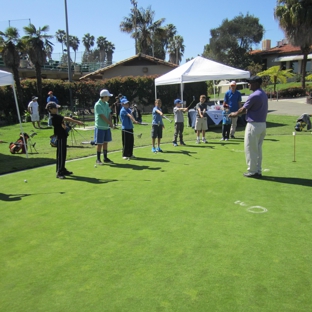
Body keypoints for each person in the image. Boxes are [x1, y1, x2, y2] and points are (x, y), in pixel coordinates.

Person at [228, 76, 268, 178]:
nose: (249, 84)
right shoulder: (262, 94)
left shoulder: (254, 95)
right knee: (258, 149)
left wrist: (234, 114)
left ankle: (252, 171)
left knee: (250, 148)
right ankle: (258, 170)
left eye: (250, 82)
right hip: (262, 124)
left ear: (256, 83)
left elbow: (243, 109)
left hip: (253, 125)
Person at [46, 102, 84, 179]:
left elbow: (62, 123)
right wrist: (77, 122)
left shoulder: (56, 116)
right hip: (60, 137)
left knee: (63, 153)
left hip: (63, 136)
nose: (57, 109)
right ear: (51, 109)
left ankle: (62, 169)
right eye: (55, 108)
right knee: (61, 154)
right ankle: (59, 171)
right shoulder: (54, 117)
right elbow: (66, 118)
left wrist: (65, 127)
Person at [94, 89, 115, 165]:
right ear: (104, 96)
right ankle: (98, 159)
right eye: (108, 96)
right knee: (100, 143)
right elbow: (102, 116)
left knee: (105, 142)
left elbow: (109, 113)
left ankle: (105, 158)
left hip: (106, 127)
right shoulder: (98, 105)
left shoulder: (106, 104)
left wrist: (110, 123)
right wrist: (110, 123)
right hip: (100, 127)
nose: (109, 97)